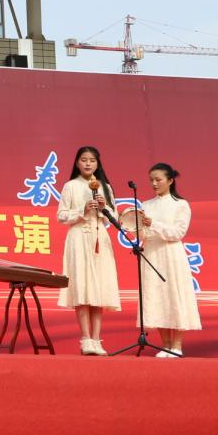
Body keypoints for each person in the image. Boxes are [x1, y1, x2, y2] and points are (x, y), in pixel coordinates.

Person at [57, 145, 122, 355]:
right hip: (78, 238)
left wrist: (104, 208)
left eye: (92, 160)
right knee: (82, 287)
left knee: (98, 288)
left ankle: (96, 339)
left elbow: (114, 217)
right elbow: (61, 216)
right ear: (77, 163)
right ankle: (85, 339)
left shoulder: (105, 187)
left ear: (97, 164)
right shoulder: (70, 186)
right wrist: (82, 210)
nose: (88, 164)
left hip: (99, 238)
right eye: (84, 160)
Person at [132, 162, 200, 358]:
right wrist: (135, 226)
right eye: (151, 180)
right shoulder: (146, 205)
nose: (154, 184)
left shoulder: (180, 204)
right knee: (157, 296)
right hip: (152, 254)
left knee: (174, 296)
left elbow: (178, 233)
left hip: (171, 255)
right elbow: (143, 234)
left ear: (170, 181)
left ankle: (176, 346)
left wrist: (154, 223)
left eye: (158, 180)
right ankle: (165, 345)